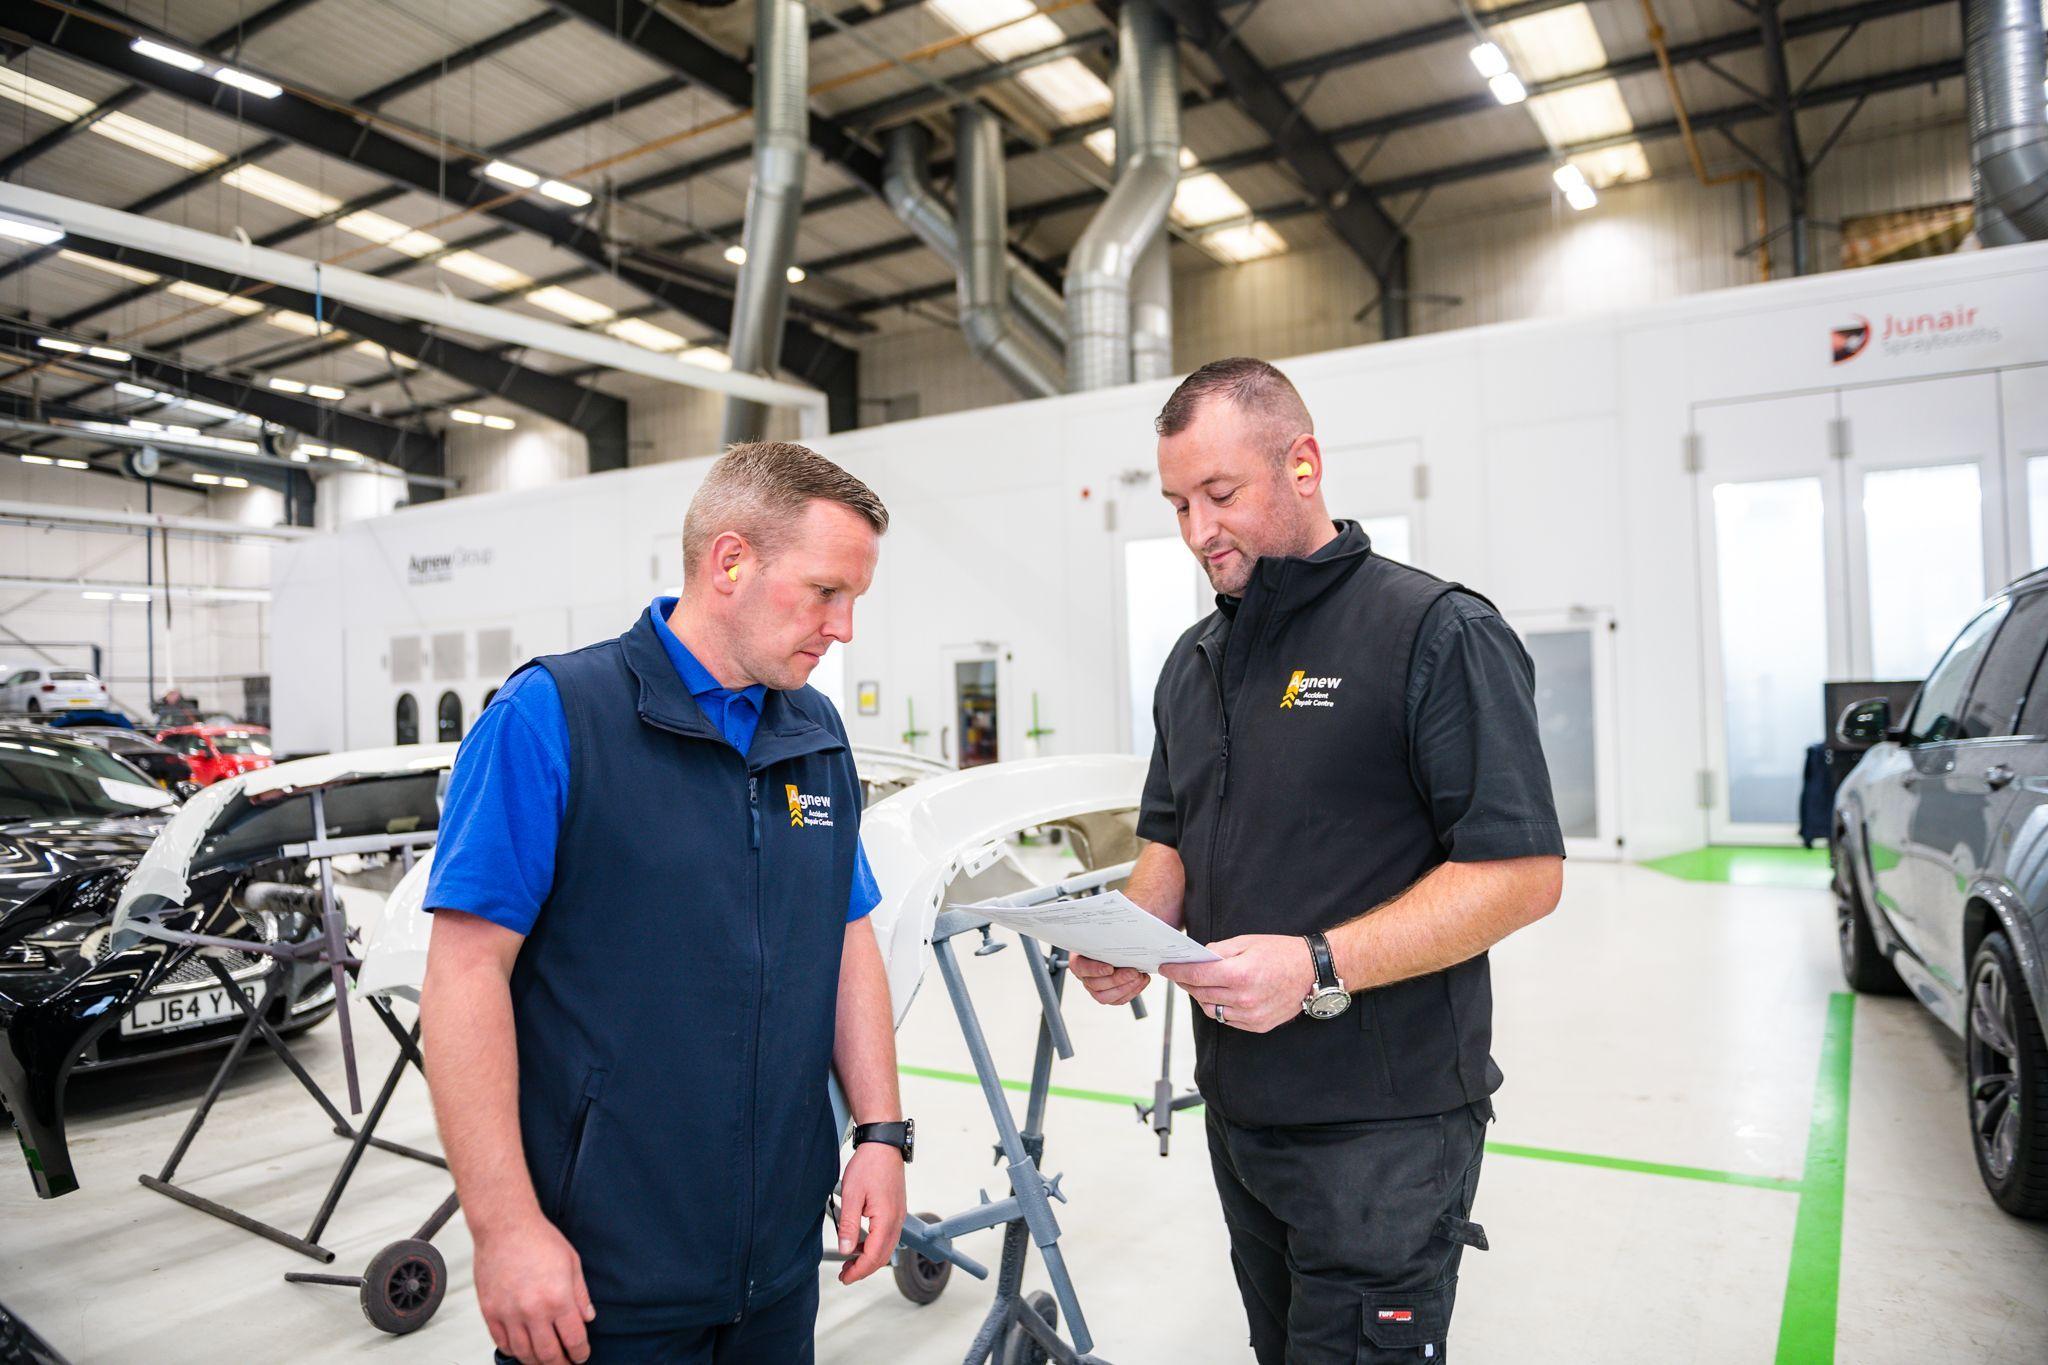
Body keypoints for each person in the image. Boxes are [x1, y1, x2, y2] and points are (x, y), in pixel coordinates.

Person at [1071, 358, 1565, 1363]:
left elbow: (1521, 873)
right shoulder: (1194, 659)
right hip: (1241, 1111)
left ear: (1302, 466)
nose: (1197, 530)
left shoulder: (1433, 633)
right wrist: (1129, 933)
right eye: (1176, 505)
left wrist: (1316, 964)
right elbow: (1168, 835)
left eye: (1219, 495)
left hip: (1382, 1130)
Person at [420, 442, 913, 1365]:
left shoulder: (814, 732)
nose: (843, 628)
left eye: (855, 600)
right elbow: (462, 974)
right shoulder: (553, 716)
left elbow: (846, 938)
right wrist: (505, 1227)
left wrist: (881, 1135)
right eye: (824, 592)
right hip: (598, 1278)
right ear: (731, 562)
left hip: (776, 1270)